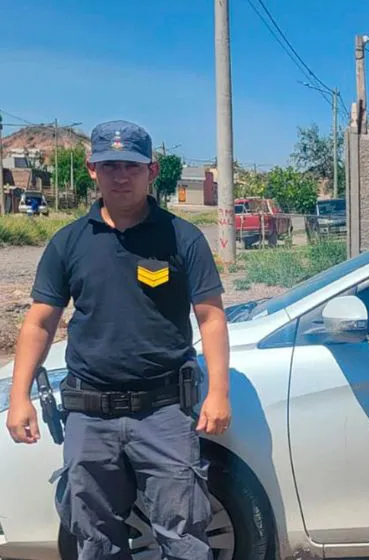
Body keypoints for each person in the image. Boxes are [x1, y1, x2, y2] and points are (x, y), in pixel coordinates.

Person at [5, 119, 232, 560]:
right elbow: (38, 323)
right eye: (110, 166)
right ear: (92, 169)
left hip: (164, 413)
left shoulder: (182, 239)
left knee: (184, 537)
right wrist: (19, 397)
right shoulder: (68, 242)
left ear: (152, 169)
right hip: (91, 416)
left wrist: (218, 392)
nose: (121, 175)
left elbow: (211, 318)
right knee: (95, 540)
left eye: (131, 165)